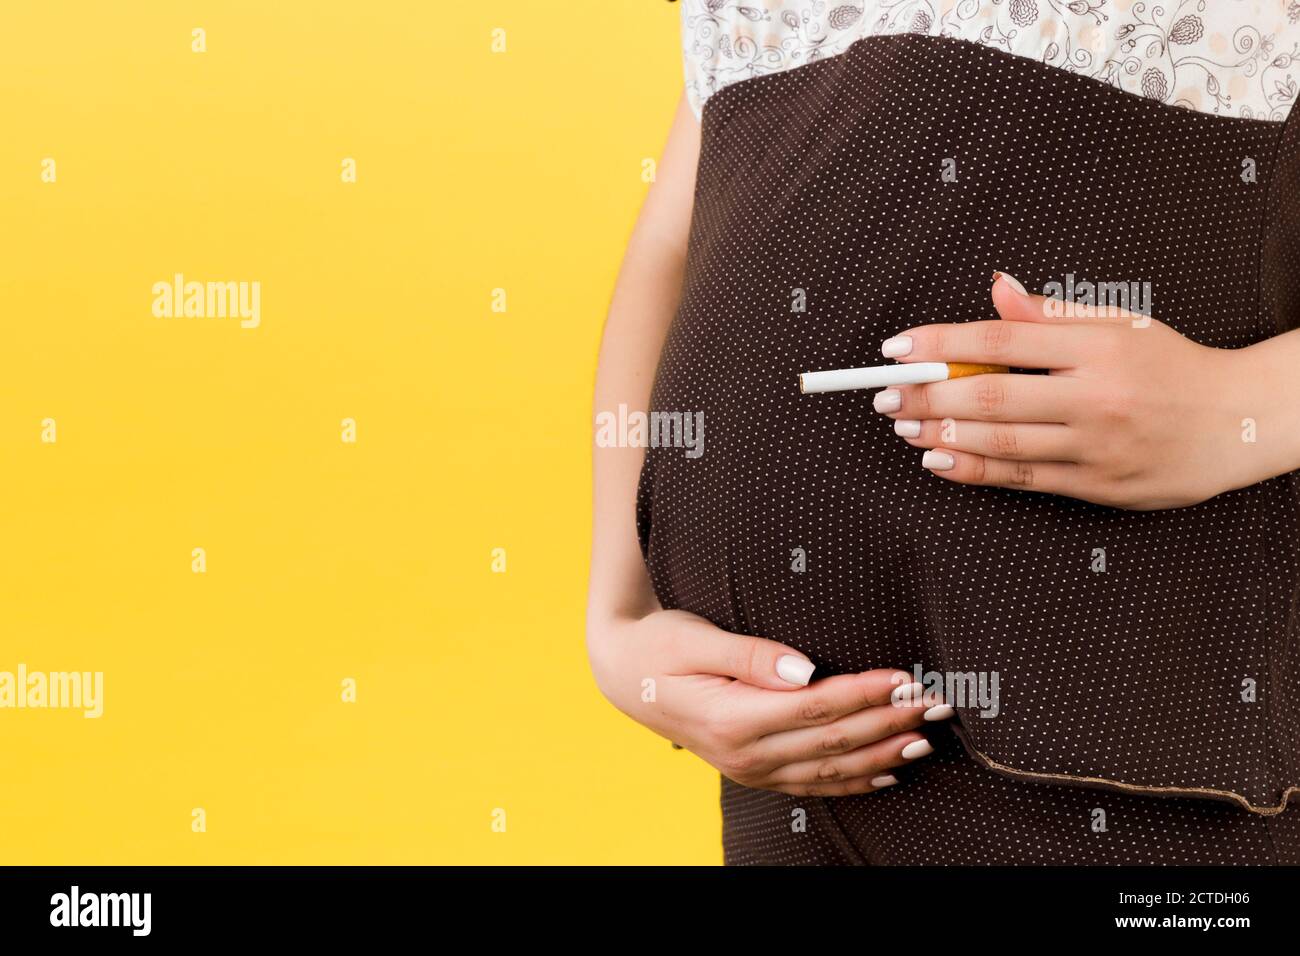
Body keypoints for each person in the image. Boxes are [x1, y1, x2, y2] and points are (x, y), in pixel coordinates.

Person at [587, 1, 1300, 864]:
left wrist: (1244, 405)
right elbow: (678, 234)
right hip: (795, 759)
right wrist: (620, 617)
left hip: (1124, 731)